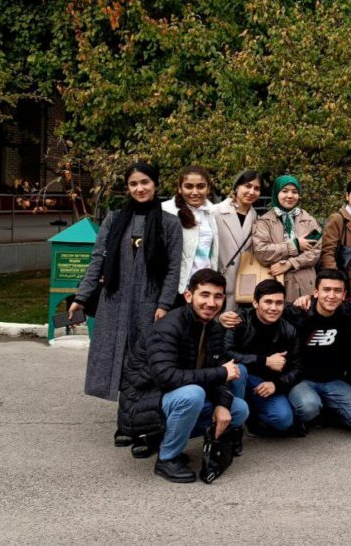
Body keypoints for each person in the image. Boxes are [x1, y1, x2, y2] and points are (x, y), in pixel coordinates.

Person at [71, 163, 181, 448]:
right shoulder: (114, 219)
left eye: (145, 182)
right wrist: (81, 296)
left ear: (155, 184)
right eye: (133, 184)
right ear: (128, 188)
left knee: (146, 364)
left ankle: (147, 427)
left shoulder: (169, 223)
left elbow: (173, 269)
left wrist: (164, 304)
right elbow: (97, 259)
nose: (139, 188)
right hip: (115, 303)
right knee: (119, 363)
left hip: (149, 305)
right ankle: (125, 423)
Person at [120, 269, 247, 483]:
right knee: (192, 395)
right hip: (141, 404)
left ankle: (164, 438)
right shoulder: (168, 327)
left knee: (238, 409)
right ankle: (167, 458)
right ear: (189, 296)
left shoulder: (214, 329)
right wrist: (220, 373)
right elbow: (166, 377)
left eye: (217, 296)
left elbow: (219, 372)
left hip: (171, 399)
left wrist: (222, 404)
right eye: (204, 295)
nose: (211, 303)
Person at [284, 269, 351, 434]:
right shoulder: (300, 312)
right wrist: (236, 317)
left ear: (344, 294)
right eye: (326, 290)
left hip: (334, 381)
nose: (332, 296)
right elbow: (269, 309)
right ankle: (304, 414)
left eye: (337, 291)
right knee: (309, 407)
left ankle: (327, 412)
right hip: (302, 380)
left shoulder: (349, 313)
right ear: (316, 292)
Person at [221, 279, 302, 436]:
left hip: (266, 383)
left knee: (283, 420)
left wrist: (276, 384)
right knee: (239, 370)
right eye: (268, 302)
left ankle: (251, 417)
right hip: (239, 380)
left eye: (279, 303)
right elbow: (227, 353)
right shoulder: (239, 320)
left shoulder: (289, 330)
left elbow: (298, 367)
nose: (273, 308)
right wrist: (265, 361)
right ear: (255, 303)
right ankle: (233, 429)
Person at [252, 174, 322, 301]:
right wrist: (295, 245)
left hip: (306, 286)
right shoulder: (264, 222)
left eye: (294, 192)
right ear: (276, 193)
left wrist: (290, 263)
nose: (290, 196)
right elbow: (262, 251)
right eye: (284, 191)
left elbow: (315, 252)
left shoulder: (309, 220)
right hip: (276, 285)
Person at [162, 165, 219, 307]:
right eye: (189, 186)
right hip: (176, 288)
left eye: (200, 186)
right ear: (180, 188)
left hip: (203, 286)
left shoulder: (212, 212)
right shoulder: (165, 211)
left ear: (208, 189)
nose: (195, 192)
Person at [215, 170, 262, 312]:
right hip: (218, 283)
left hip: (243, 287)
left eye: (257, 188)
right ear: (236, 187)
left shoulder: (257, 219)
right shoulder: (215, 212)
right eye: (247, 186)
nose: (252, 192)